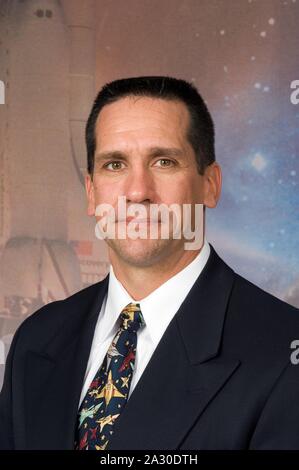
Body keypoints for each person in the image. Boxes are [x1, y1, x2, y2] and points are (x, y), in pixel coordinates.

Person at [0, 76, 298, 450]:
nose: (138, 191)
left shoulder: (283, 353)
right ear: (91, 193)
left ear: (210, 184)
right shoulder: (37, 339)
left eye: (164, 161)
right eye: (114, 165)